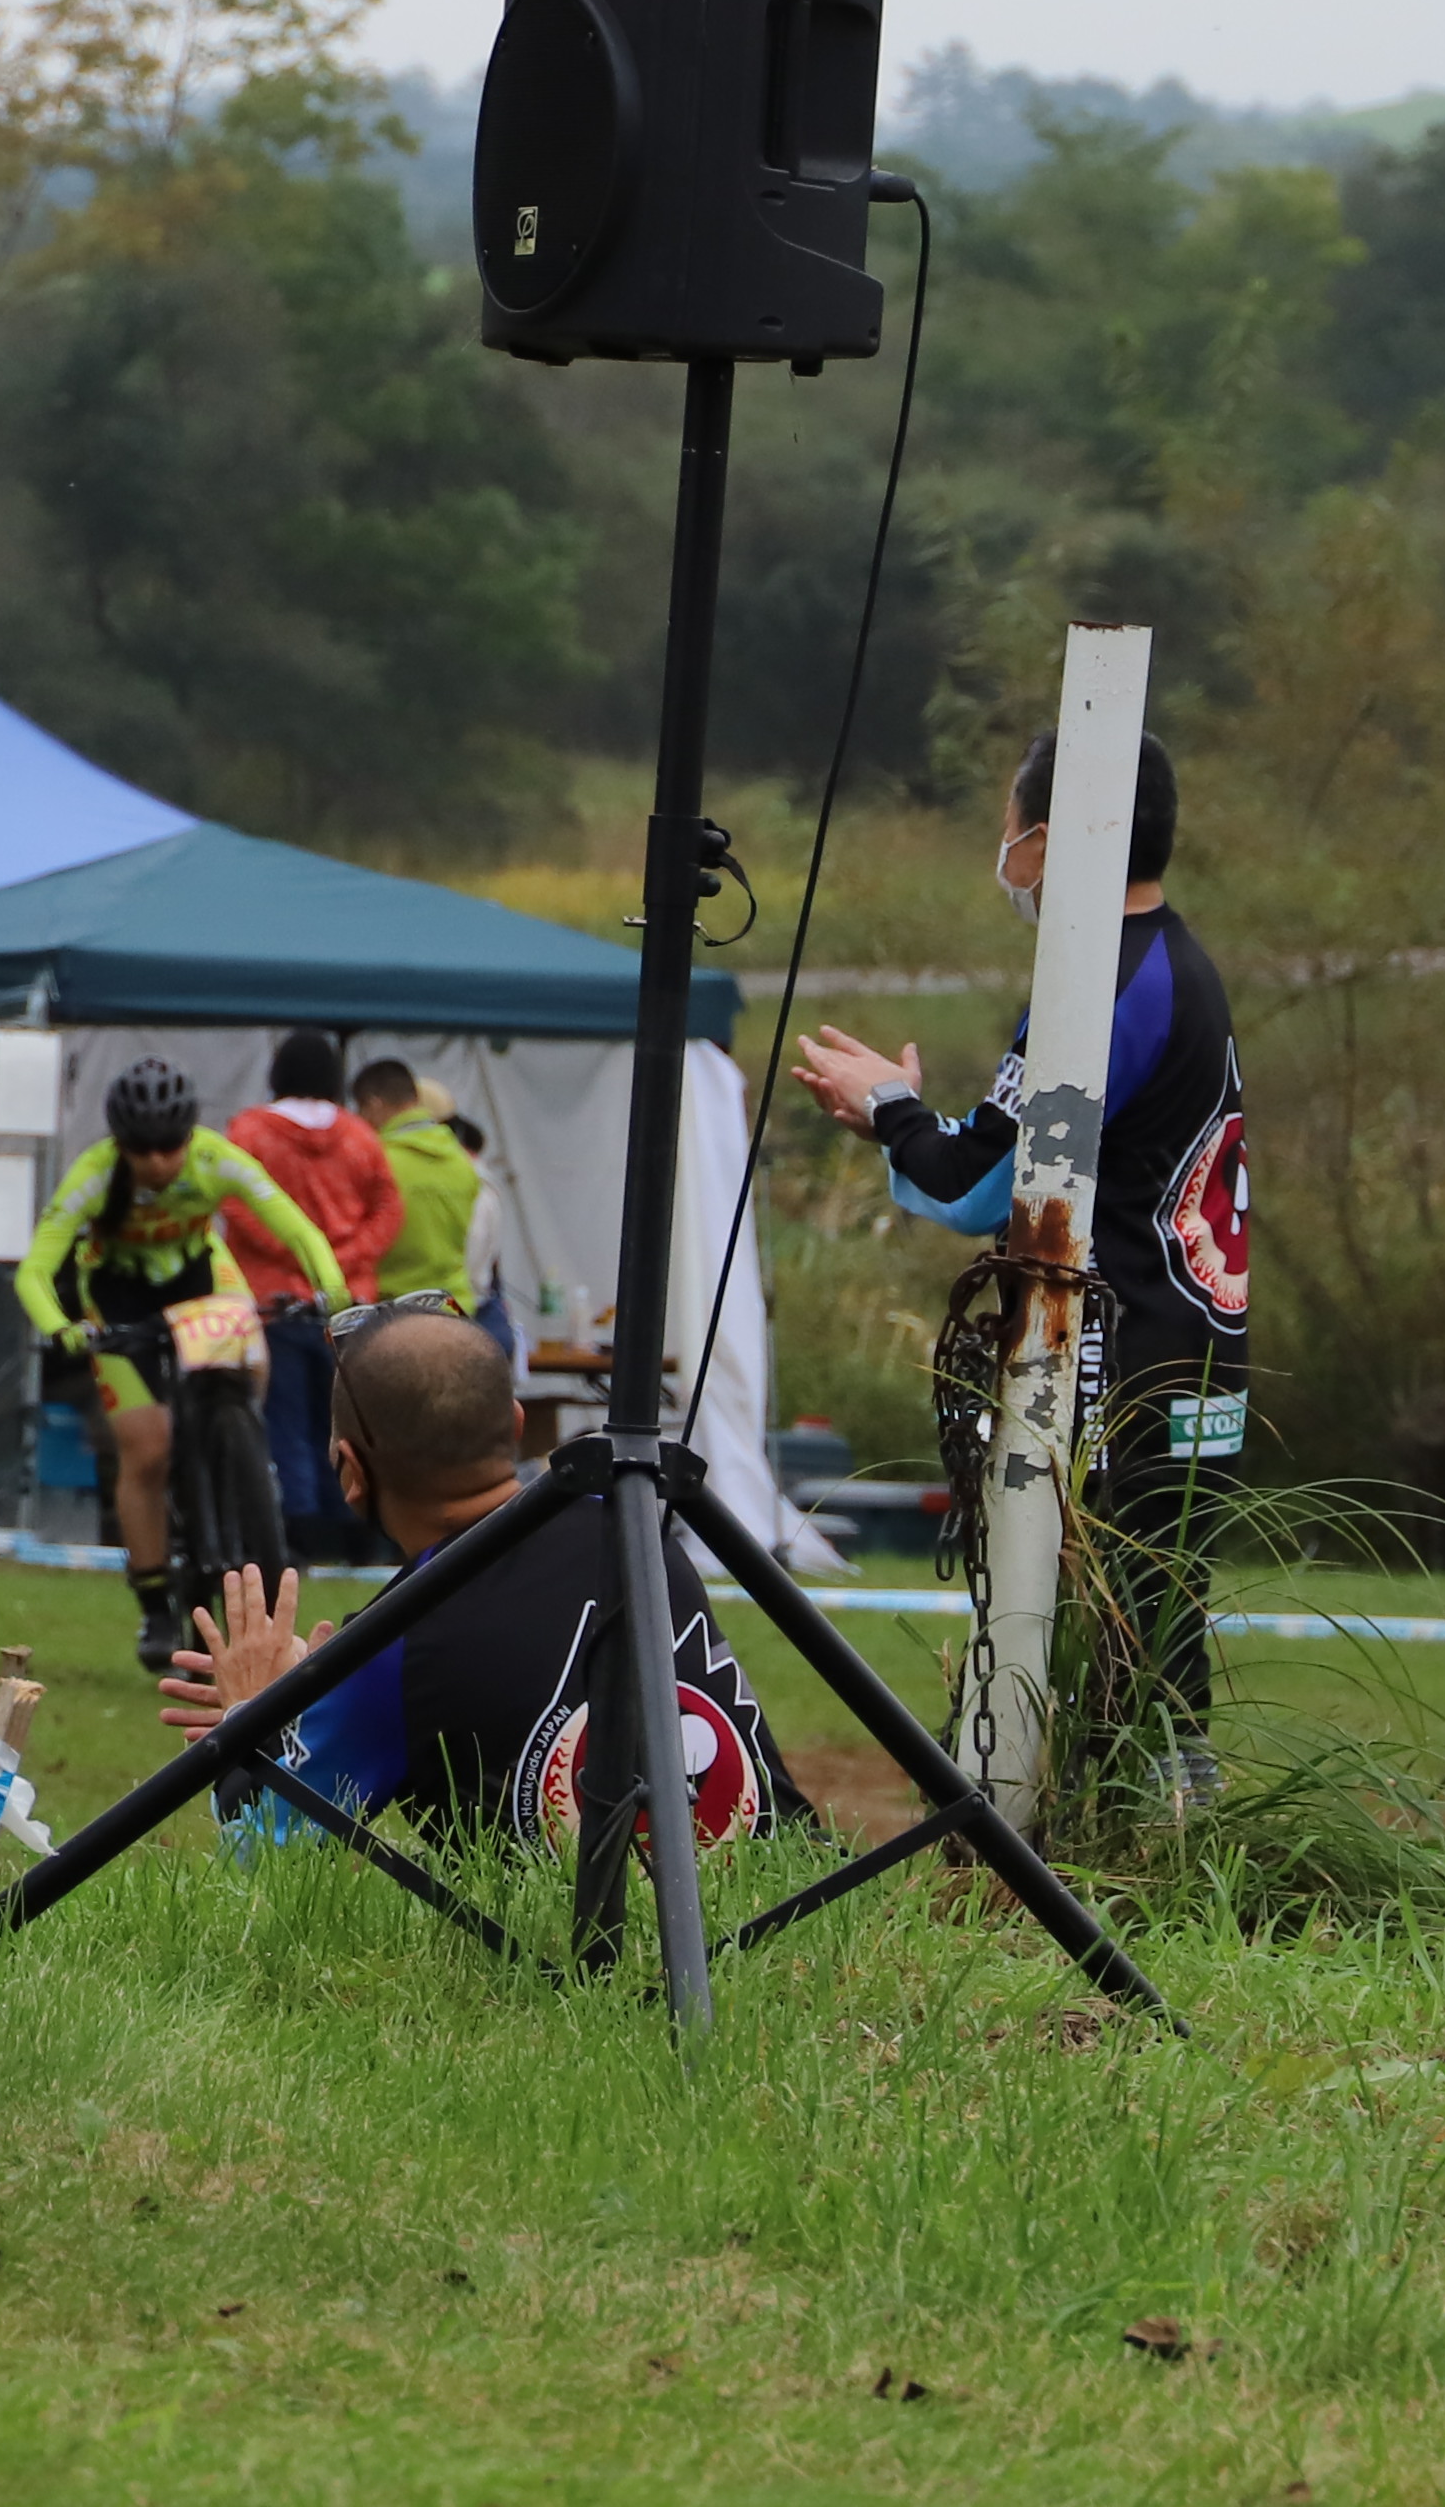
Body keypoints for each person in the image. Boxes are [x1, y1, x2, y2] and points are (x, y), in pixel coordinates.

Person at [788, 727, 1248, 1801]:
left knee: (1126, 1654)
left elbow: (976, 1190)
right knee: (1154, 1654)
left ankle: (1115, 1867)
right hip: (1194, 1356)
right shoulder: (1173, 963)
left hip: (1127, 1367)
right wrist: (904, 1122)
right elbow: (1028, 1161)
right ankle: (1153, 1859)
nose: (1003, 852)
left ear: (1048, 840)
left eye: (1009, 826)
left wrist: (890, 1107)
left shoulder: (1101, 990)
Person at [154, 1304, 812, 1851]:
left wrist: (257, 1714)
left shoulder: (393, 1654)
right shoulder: (636, 1525)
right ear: (518, 1428)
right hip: (796, 1898)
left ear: (350, 1473)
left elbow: (264, 1849)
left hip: (601, 1962)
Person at [18, 1060, 339, 1665]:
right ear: (121, 1144)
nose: (160, 1161)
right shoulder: (95, 1175)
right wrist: (60, 1329)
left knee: (253, 1360)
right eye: (144, 1149)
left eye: (171, 1146)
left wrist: (332, 1288)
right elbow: (34, 1268)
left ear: (189, 1136)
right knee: (146, 1446)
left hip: (198, 1276)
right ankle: (155, 1604)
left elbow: (297, 1228)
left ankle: (240, 1455)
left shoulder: (216, 1160)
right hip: (118, 1294)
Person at [227, 1031, 403, 1563]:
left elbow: (235, 1207)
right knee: (349, 1421)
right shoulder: (361, 1138)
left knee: (286, 1422)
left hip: (275, 1303)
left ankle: (301, 1532)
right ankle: (355, 1528)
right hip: (346, 1306)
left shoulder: (250, 1133)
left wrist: (291, 1251)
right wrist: (345, 1256)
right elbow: (388, 1210)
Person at [351, 1058, 512, 1354]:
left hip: (392, 1319)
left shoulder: (376, 1161)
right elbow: (477, 1250)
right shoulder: (464, 1164)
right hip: (455, 1312)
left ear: (373, 1105)